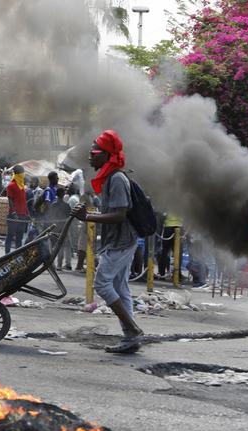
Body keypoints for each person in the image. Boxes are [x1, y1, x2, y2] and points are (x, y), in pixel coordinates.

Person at [71, 130, 143, 354]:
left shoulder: (118, 179)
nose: (90, 157)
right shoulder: (111, 178)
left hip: (121, 241)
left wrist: (88, 217)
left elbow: (120, 215)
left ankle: (132, 330)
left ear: (107, 155)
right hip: (118, 240)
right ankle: (131, 337)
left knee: (102, 284)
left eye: (94, 152)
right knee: (121, 289)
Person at [5, 164, 29, 254]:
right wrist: (14, 213)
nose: (23, 175)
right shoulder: (11, 185)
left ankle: (17, 255)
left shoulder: (22, 185)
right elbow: (10, 200)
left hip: (22, 215)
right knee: (10, 235)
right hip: (14, 215)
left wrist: (27, 213)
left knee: (20, 236)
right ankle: (6, 254)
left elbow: (23, 201)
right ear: (18, 174)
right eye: (22, 173)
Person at [158, 213, 182, 279]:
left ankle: (161, 273)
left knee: (164, 251)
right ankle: (177, 275)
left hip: (168, 226)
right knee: (177, 252)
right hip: (179, 226)